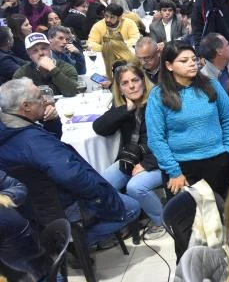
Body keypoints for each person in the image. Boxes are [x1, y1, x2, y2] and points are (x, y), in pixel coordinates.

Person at [0, 79, 141, 249]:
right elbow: (72, 175)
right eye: (39, 97)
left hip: (29, 207)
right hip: (61, 204)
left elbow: (41, 153)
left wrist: (51, 122)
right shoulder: (32, 141)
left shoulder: (8, 126)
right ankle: (71, 244)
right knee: (131, 208)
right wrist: (106, 197)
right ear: (26, 106)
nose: (46, 101)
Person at [146, 42, 229, 197]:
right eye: (183, 61)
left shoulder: (211, 85)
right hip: (181, 167)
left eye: (193, 59)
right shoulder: (158, 95)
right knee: (189, 218)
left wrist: (227, 149)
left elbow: (228, 119)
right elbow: (156, 138)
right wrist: (174, 171)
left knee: (221, 214)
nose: (192, 64)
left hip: (218, 161)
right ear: (169, 65)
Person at [93, 63, 165, 237]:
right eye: (125, 83)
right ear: (120, 88)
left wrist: (147, 164)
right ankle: (126, 219)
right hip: (133, 159)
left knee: (136, 186)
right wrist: (126, 109)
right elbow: (100, 127)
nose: (131, 86)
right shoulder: (126, 106)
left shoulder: (159, 102)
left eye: (135, 80)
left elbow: (168, 142)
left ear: (143, 81)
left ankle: (161, 221)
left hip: (161, 161)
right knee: (102, 184)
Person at [13, 33, 79, 97]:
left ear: (49, 49)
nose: (41, 53)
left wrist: (53, 69)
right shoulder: (22, 74)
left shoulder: (67, 68)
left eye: (43, 48)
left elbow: (73, 92)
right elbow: (18, 100)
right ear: (29, 54)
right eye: (35, 51)